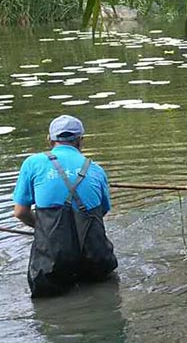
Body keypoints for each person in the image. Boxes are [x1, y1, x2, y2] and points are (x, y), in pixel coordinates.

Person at [12, 115, 117, 297]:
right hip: (96, 263)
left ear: (49, 140)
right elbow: (102, 212)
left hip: (51, 267)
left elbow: (20, 212)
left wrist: (43, 228)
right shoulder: (96, 170)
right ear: (80, 140)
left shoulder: (33, 164)